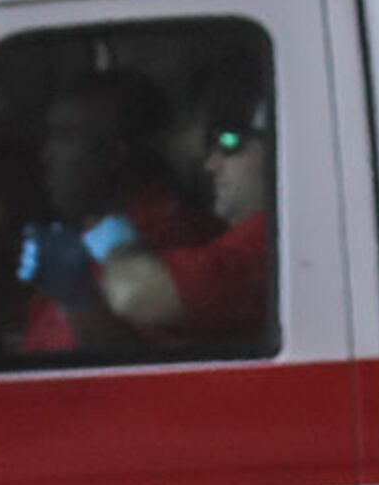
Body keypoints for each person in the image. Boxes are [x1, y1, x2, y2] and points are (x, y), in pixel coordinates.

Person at [14, 70, 214, 357]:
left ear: (113, 154)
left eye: (65, 137)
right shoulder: (90, 234)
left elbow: (152, 373)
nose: (47, 155)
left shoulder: (169, 243)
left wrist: (76, 298)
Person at [101, 77, 276, 345]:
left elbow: (135, 293)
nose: (211, 165)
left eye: (230, 143)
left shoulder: (270, 240)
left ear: (279, 147)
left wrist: (113, 241)